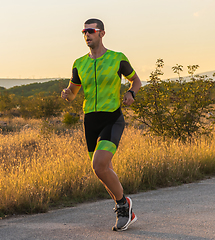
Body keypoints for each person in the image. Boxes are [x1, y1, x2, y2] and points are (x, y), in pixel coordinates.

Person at [61, 18, 142, 231]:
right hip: (90, 121)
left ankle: (123, 205)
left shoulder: (117, 59)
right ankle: (124, 208)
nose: (87, 35)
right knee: (103, 170)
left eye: (91, 31)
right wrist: (66, 94)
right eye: (84, 32)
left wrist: (131, 92)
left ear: (102, 33)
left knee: (99, 165)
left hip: (112, 118)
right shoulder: (79, 63)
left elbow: (136, 80)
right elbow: (73, 94)